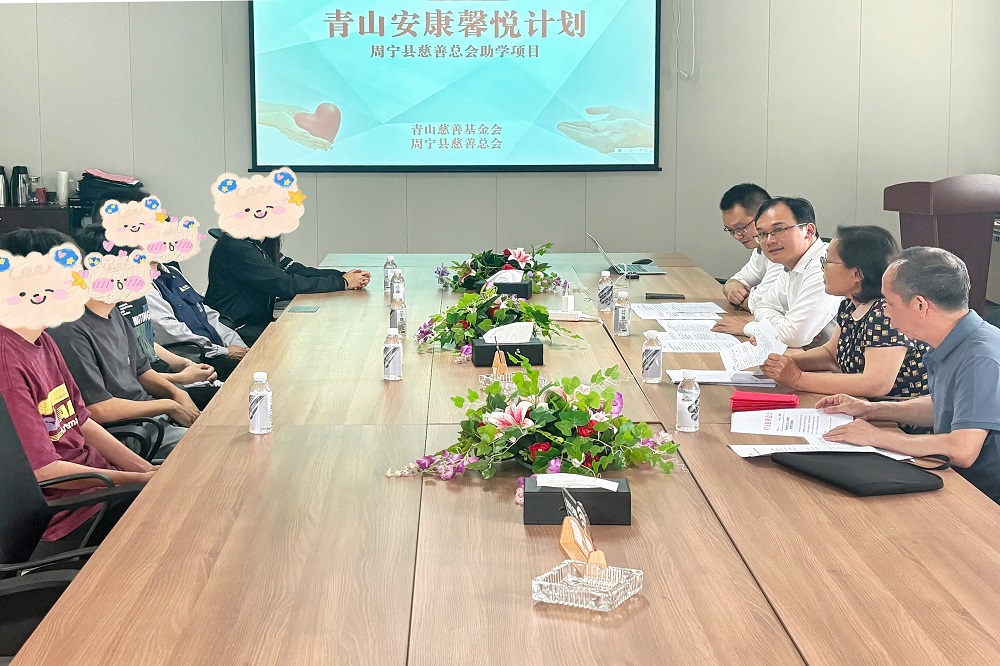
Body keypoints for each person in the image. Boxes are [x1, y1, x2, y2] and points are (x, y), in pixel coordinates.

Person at [0, 228, 156, 547]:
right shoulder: (8, 363)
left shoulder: (43, 340)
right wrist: (137, 480)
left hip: (100, 490)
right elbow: (43, 472)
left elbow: (81, 421)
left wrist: (147, 472)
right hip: (69, 515)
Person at [821, 247, 1000, 504]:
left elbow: (962, 449)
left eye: (889, 302)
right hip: (958, 480)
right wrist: (871, 410)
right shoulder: (956, 339)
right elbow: (941, 407)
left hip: (983, 497)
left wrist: (877, 437)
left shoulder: (979, 357)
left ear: (920, 305)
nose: (884, 312)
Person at [47, 231, 207, 458]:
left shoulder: (114, 312)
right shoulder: (70, 331)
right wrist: (168, 405)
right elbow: (98, 409)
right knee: (214, 448)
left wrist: (176, 394)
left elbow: (142, 371)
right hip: (131, 433)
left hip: (152, 418)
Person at [760, 226, 929, 397]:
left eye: (827, 261)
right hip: (863, 406)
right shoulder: (849, 305)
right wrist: (781, 362)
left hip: (895, 412)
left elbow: (876, 384)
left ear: (857, 274)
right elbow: (831, 356)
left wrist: (798, 378)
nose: (822, 268)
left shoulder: (885, 313)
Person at [712, 197, 842, 347]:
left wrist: (749, 328)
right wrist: (784, 324)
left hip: (834, 361)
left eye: (778, 230)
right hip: (805, 353)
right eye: (762, 234)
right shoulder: (791, 263)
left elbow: (793, 337)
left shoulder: (824, 265)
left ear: (809, 231)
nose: (769, 240)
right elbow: (763, 306)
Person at [204, 232, 371, 345]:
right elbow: (284, 284)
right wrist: (342, 283)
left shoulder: (261, 242)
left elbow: (296, 270)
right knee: (307, 340)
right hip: (236, 327)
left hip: (255, 321)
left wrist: (342, 276)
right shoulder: (237, 247)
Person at [718, 183, 781, 310]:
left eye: (741, 228)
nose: (737, 236)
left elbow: (763, 302)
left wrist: (746, 299)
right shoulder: (761, 249)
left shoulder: (783, 249)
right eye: (731, 230)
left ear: (764, 216)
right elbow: (739, 280)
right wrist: (731, 286)